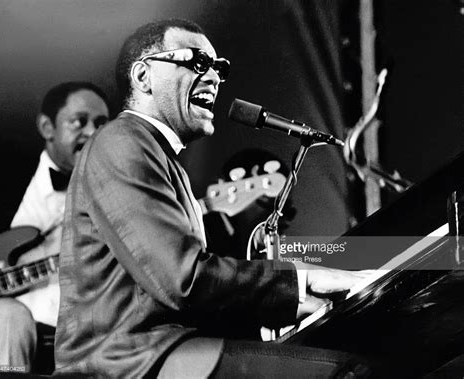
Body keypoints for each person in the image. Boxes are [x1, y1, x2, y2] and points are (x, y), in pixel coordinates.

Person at [55, 19, 373, 378]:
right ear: (143, 76)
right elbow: (183, 278)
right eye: (197, 63)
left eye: (219, 68)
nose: (214, 78)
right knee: (347, 371)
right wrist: (298, 281)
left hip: (156, 353)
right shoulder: (122, 141)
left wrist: (284, 311)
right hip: (129, 361)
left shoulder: (157, 155)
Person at [0, 82, 110, 372]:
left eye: (101, 124)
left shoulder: (115, 193)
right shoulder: (1, 180)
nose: (92, 132)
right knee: (9, 316)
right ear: (47, 127)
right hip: (5, 330)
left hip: (78, 340)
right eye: (79, 121)